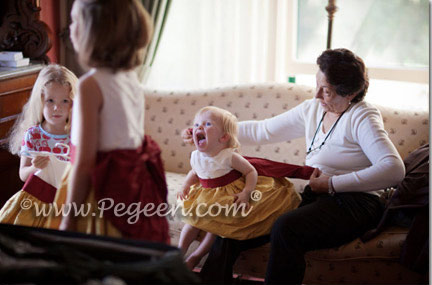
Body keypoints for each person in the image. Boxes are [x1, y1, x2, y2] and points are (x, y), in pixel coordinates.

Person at [182, 48, 406, 284]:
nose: (317, 95)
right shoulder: (313, 108)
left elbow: (394, 169)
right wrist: (210, 132)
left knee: (285, 227)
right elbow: (263, 131)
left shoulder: (362, 116)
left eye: (326, 91)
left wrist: (331, 184)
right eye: (317, 85)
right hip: (316, 195)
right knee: (235, 220)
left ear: (350, 93)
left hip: (356, 202)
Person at [52, 0, 169, 243]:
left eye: (76, 21)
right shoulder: (131, 80)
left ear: (95, 32)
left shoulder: (90, 86)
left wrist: (68, 219)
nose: (70, 28)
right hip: (132, 185)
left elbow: (85, 163)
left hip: (102, 189)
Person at [177, 106, 314, 270]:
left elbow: (251, 171)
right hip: (206, 194)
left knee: (217, 227)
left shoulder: (229, 156)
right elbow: (196, 171)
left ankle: (196, 256)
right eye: (197, 124)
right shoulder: (196, 155)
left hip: (227, 194)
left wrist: (246, 192)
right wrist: (186, 185)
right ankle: (178, 253)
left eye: (207, 124)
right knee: (192, 221)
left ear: (223, 137)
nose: (199, 127)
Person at [0, 64, 77, 227]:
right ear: (40, 100)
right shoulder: (33, 135)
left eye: (65, 101)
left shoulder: (77, 134)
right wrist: (35, 167)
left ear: (74, 103)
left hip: (69, 200)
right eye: (50, 100)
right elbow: (23, 174)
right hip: (39, 201)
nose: (57, 107)